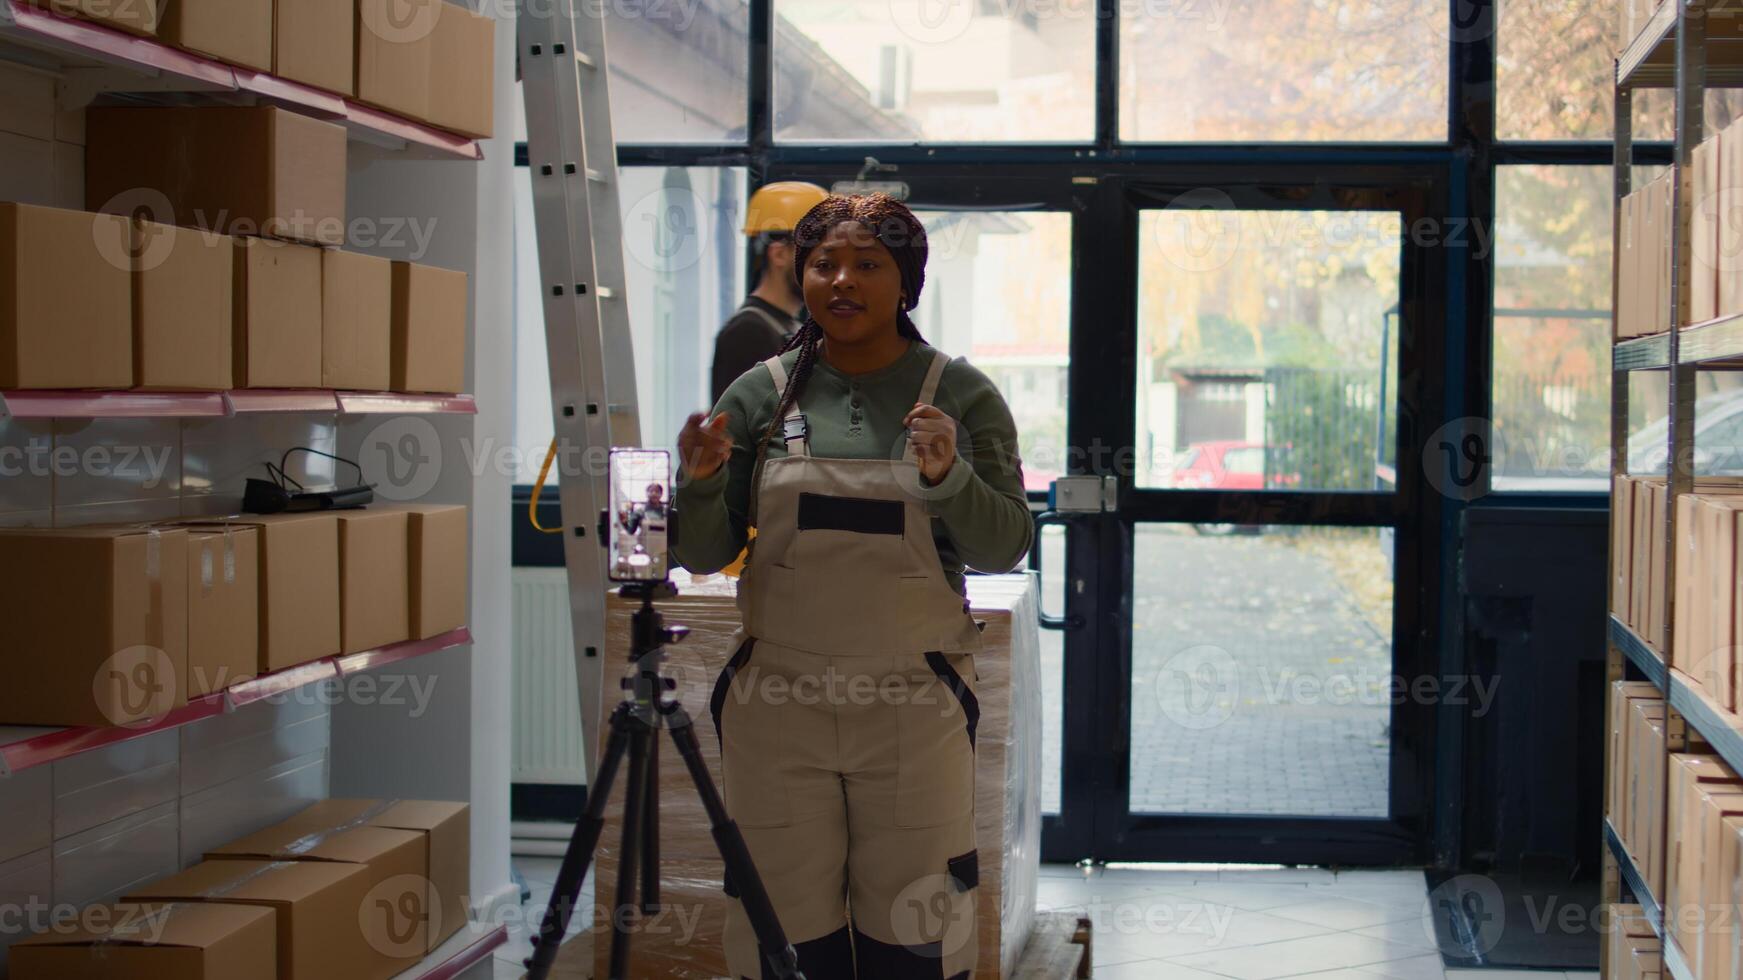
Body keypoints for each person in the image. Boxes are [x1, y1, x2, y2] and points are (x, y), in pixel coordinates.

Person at [673, 193, 1033, 979]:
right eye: (822, 263)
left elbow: (1004, 547)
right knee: (782, 932)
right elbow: (704, 553)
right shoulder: (760, 395)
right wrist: (698, 483)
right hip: (777, 707)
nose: (841, 279)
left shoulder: (960, 395)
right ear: (797, 274)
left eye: (867, 264)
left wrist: (950, 475)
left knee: (913, 928)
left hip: (912, 703)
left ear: (905, 281)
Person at [709, 181, 830, 405]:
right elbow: (738, 432)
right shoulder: (747, 333)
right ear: (779, 255)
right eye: (817, 255)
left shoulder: (787, 327)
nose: (827, 269)